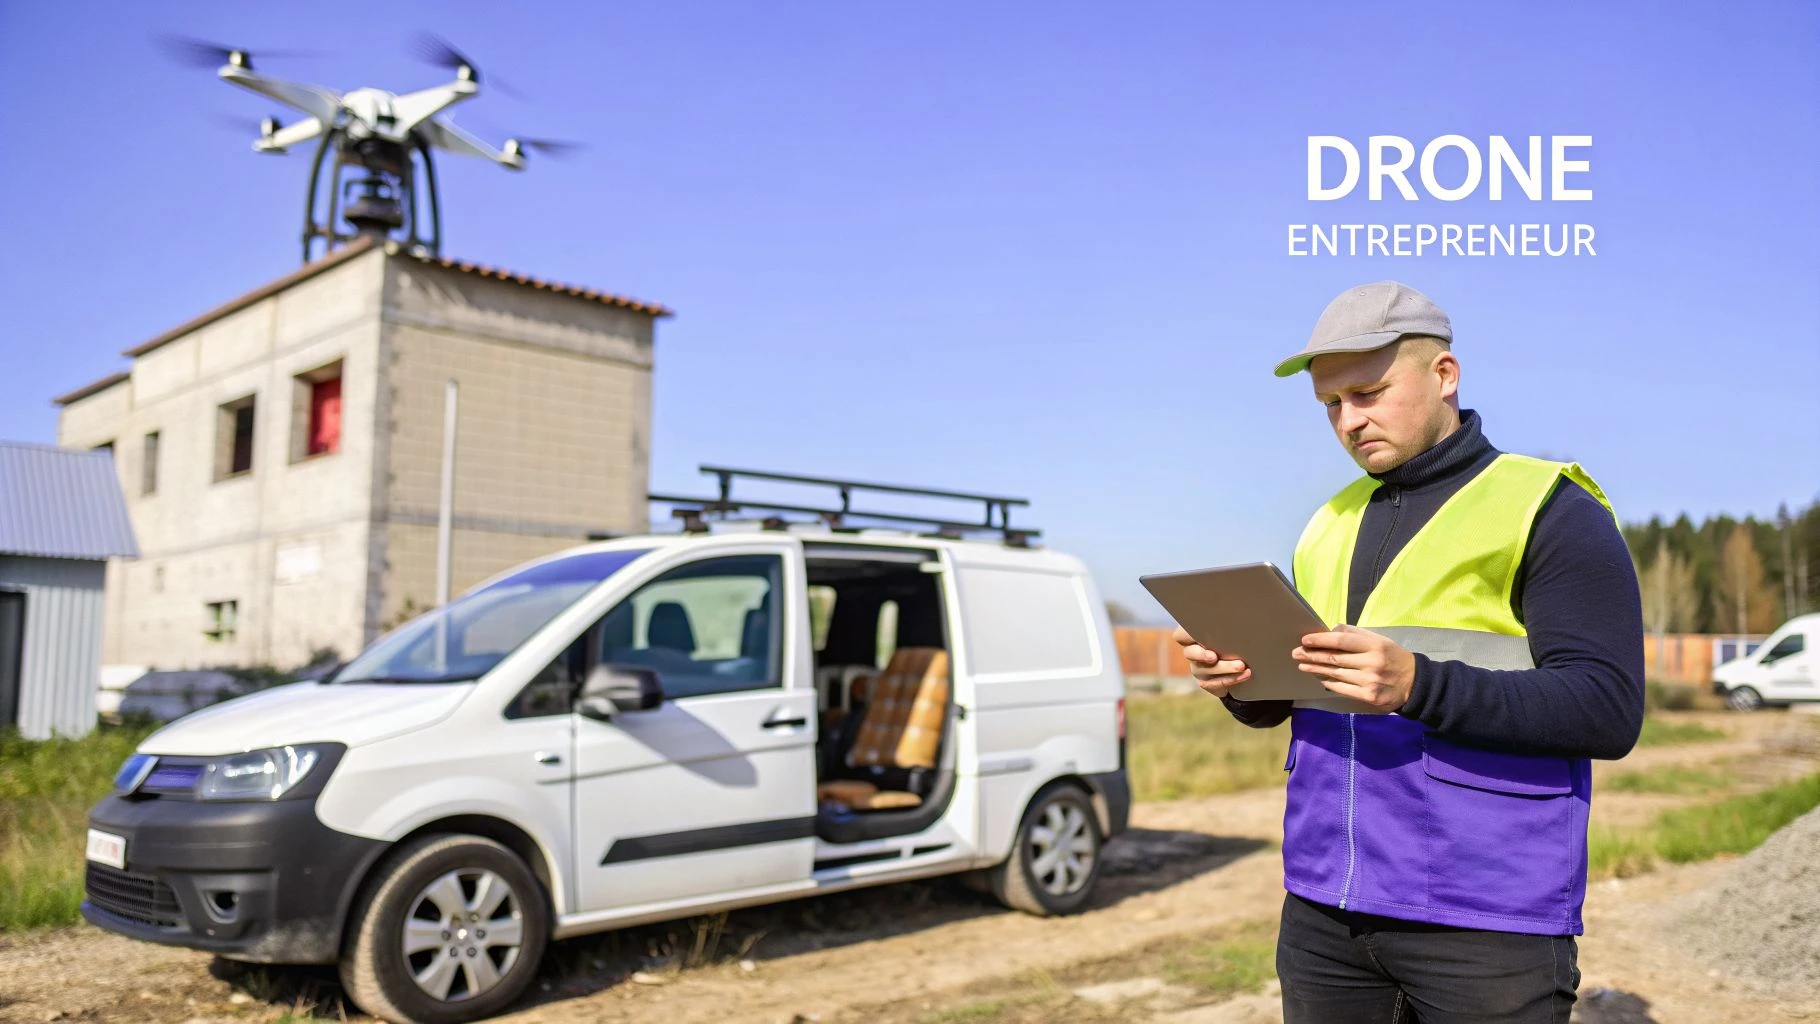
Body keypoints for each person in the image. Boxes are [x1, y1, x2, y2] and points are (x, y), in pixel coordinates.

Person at [1174, 281, 1645, 1023]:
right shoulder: (1326, 525)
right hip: (1325, 911)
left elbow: (1607, 710)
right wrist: (1240, 684)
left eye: (1369, 392)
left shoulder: (1550, 510)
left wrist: (1418, 685)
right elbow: (1310, 693)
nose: (1349, 422)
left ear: (1445, 375)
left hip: (1486, 918)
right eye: (1331, 405)